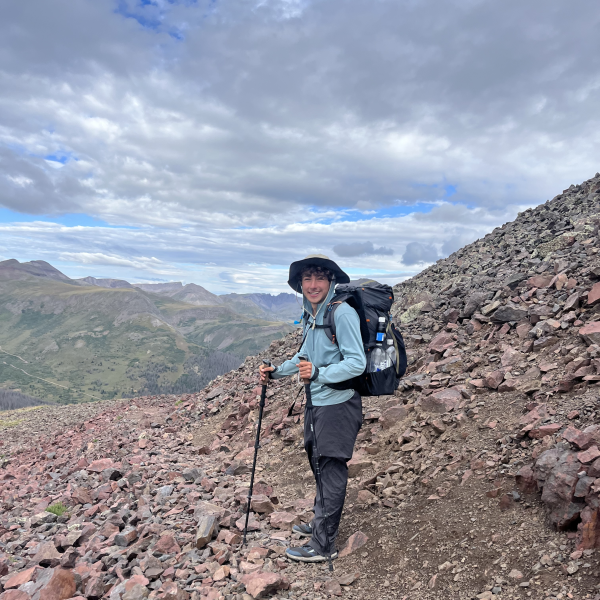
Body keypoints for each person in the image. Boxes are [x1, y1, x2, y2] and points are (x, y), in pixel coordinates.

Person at [259, 254, 366, 563]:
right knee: (318, 465)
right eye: (307, 279)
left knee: (331, 469)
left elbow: (357, 363)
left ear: (331, 281)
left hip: (338, 404)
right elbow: (304, 355)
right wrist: (276, 371)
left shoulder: (341, 313)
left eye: (320, 278)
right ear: (300, 284)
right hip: (316, 402)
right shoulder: (313, 314)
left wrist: (320, 374)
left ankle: (323, 545)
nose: (313, 284)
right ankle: (322, 523)